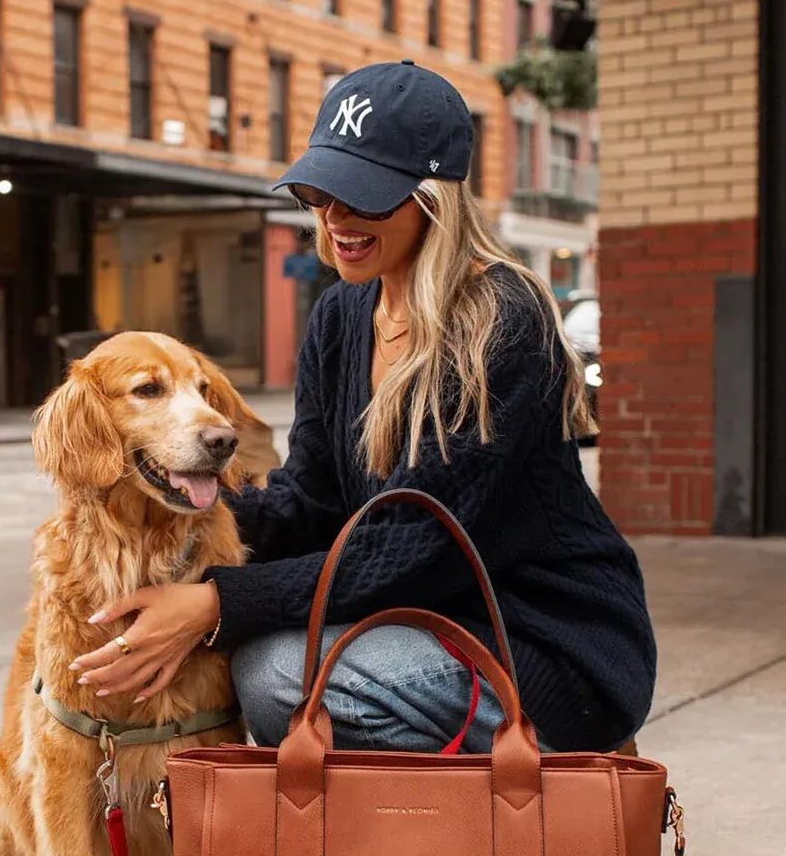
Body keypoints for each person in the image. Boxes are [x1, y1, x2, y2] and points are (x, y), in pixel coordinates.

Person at [70, 61, 657, 755]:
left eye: (364, 197)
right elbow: (312, 501)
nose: (335, 218)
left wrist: (218, 603)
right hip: (424, 624)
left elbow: (416, 549)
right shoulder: (343, 313)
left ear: (433, 198)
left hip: (542, 642)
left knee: (276, 673)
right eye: (319, 191)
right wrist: (179, 517)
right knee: (269, 659)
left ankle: (498, 812)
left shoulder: (503, 320)